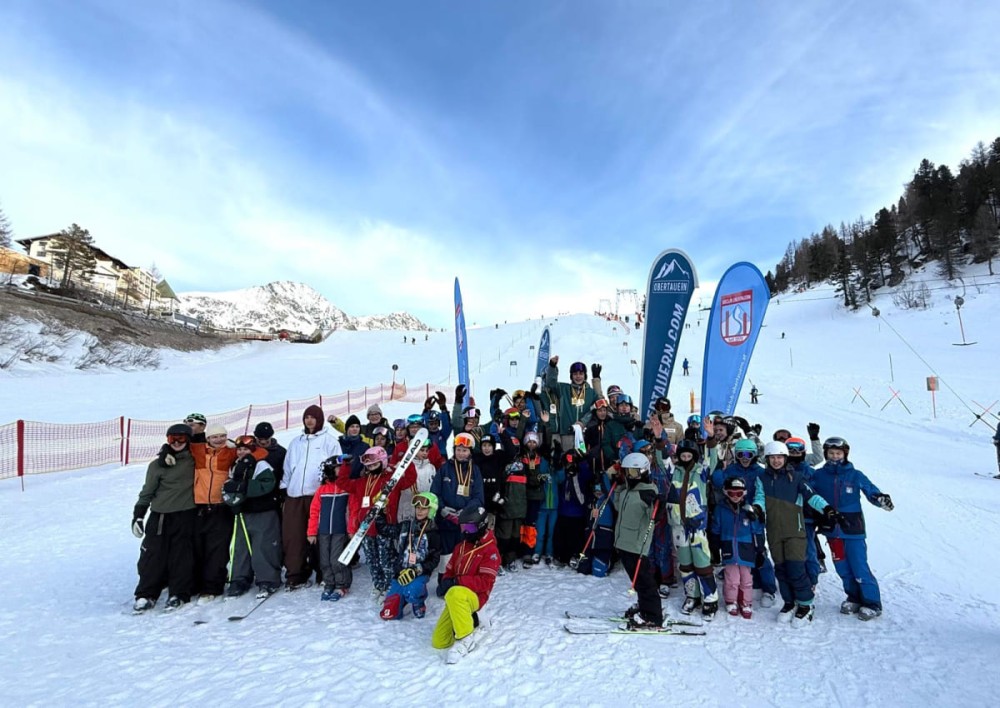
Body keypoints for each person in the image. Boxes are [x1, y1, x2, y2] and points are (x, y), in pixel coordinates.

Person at [809, 437, 894, 621]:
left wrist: (880, 499)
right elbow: (809, 494)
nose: (835, 457)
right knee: (842, 567)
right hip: (832, 529)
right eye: (831, 453)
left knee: (859, 566)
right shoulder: (818, 475)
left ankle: (872, 602)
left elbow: (870, 490)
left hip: (852, 528)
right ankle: (853, 597)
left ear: (845, 454)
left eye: (838, 453)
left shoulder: (855, 475)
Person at [756, 441, 834, 624]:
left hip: (795, 530)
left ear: (785, 458)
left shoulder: (796, 477)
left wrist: (827, 509)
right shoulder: (763, 478)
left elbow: (811, 496)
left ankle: (806, 604)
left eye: (780, 457)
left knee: (796, 568)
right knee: (781, 569)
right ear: (767, 459)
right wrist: (757, 508)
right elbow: (759, 497)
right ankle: (789, 602)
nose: (776, 461)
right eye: (772, 458)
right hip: (774, 530)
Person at [131, 423, 197, 612]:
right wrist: (138, 515)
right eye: (172, 439)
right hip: (160, 516)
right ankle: (146, 594)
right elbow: (147, 492)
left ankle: (179, 593)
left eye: (181, 438)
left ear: (188, 440)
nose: (176, 442)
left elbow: (215, 446)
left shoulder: (195, 459)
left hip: (185, 514)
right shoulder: (157, 465)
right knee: (153, 555)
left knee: (181, 555)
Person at [338, 446, 416, 597]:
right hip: (366, 529)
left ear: (383, 462)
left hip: (384, 528)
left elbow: (410, 479)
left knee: (386, 560)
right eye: (368, 465)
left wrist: (407, 462)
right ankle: (378, 585)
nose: (371, 467)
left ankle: (389, 587)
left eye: (375, 464)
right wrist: (346, 465)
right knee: (372, 561)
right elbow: (343, 483)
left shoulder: (391, 480)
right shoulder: (361, 482)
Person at [282, 404, 342, 590]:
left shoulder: (329, 441)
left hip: (319, 495)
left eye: (313, 417)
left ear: (320, 419)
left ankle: (323, 572)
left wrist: (331, 487)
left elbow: (338, 467)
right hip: (295, 496)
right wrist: (286, 488)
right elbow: (288, 467)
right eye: (307, 417)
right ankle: (296, 574)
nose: (309, 420)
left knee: (320, 536)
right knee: (294, 536)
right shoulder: (296, 442)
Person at [432, 505, 500, 664]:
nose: (464, 531)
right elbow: (449, 571)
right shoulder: (460, 547)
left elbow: (485, 583)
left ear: (481, 526)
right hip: (457, 596)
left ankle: (466, 638)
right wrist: (446, 582)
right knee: (439, 641)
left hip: (476, 597)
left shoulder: (490, 551)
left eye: (469, 527)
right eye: (462, 527)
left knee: (455, 593)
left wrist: (458, 581)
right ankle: (469, 620)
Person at [223, 435, 281, 599]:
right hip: (242, 511)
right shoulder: (235, 466)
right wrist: (232, 496)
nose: (242, 452)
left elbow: (267, 484)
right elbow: (228, 485)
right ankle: (239, 578)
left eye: (245, 449)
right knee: (240, 547)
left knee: (263, 546)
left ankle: (267, 579)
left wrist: (244, 487)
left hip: (262, 510)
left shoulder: (261, 464)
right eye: (239, 449)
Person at [668, 439, 719, 619]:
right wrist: (659, 441)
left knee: (702, 563)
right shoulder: (674, 471)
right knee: (685, 564)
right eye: (683, 455)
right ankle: (692, 596)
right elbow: (660, 461)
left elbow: (713, 461)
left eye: (689, 455)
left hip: (697, 525)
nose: (686, 458)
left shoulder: (701, 470)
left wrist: (712, 441)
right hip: (678, 525)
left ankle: (710, 599)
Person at [613, 452, 664, 629]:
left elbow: (654, 517)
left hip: (636, 545)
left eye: (633, 473)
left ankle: (653, 616)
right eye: (627, 472)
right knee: (637, 581)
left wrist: (658, 505)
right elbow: (618, 506)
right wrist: (619, 488)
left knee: (644, 581)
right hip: (623, 542)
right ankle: (644, 607)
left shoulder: (647, 492)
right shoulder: (628, 489)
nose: (629, 476)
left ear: (643, 471)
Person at [189, 423, 237, 604]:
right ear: (207, 438)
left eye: (222, 436)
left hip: (221, 507)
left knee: (217, 549)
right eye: (215, 436)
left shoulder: (230, 452)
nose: (219, 440)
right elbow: (178, 446)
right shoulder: (199, 450)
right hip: (200, 506)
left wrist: (234, 444)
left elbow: (256, 453)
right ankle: (196, 584)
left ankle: (212, 587)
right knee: (198, 547)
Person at [431, 432, 485, 584]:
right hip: (447, 520)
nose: (461, 453)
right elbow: (435, 492)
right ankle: (445, 582)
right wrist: (442, 509)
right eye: (458, 450)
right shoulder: (444, 469)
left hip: (466, 522)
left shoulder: (475, 470)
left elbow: (479, 497)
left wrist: (467, 511)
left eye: (465, 450)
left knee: (464, 551)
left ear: (470, 452)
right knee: (447, 552)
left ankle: (462, 581)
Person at [381, 491, 442, 619]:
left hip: (419, 572)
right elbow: (386, 530)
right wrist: (381, 512)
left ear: (431, 510)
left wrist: (418, 569)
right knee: (390, 614)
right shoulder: (406, 526)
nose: (419, 511)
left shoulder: (433, 533)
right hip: (401, 571)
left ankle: (418, 601)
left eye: (424, 508)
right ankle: (402, 598)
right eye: (418, 508)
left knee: (412, 591)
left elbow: (434, 559)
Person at [711, 477, 758, 618]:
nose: (735, 497)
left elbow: (757, 529)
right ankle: (731, 600)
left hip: (746, 548)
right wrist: (715, 546)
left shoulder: (748, 509)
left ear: (744, 493)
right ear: (726, 493)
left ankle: (746, 602)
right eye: (732, 493)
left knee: (746, 578)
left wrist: (760, 549)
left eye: (739, 494)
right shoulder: (720, 509)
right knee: (732, 578)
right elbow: (715, 529)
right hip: (728, 547)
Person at [307, 456, 351, 601]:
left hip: (340, 530)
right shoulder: (322, 490)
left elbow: (351, 510)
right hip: (323, 531)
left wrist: (351, 529)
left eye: (341, 468)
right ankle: (329, 583)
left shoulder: (346, 489)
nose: (340, 470)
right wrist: (312, 532)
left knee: (336, 560)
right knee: (324, 561)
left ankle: (341, 584)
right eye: (337, 468)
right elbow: (314, 512)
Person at [543, 356, 602, 453]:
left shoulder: (591, 392)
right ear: (571, 376)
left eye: (581, 374)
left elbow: (597, 406)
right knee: (567, 460)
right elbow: (550, 383)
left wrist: (583, 422)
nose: (578, 376)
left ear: (585, 375)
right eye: (575, 374)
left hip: (584, 433)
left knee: (582, 461)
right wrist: (552, 367)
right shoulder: (563, 389)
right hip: (567, 432)